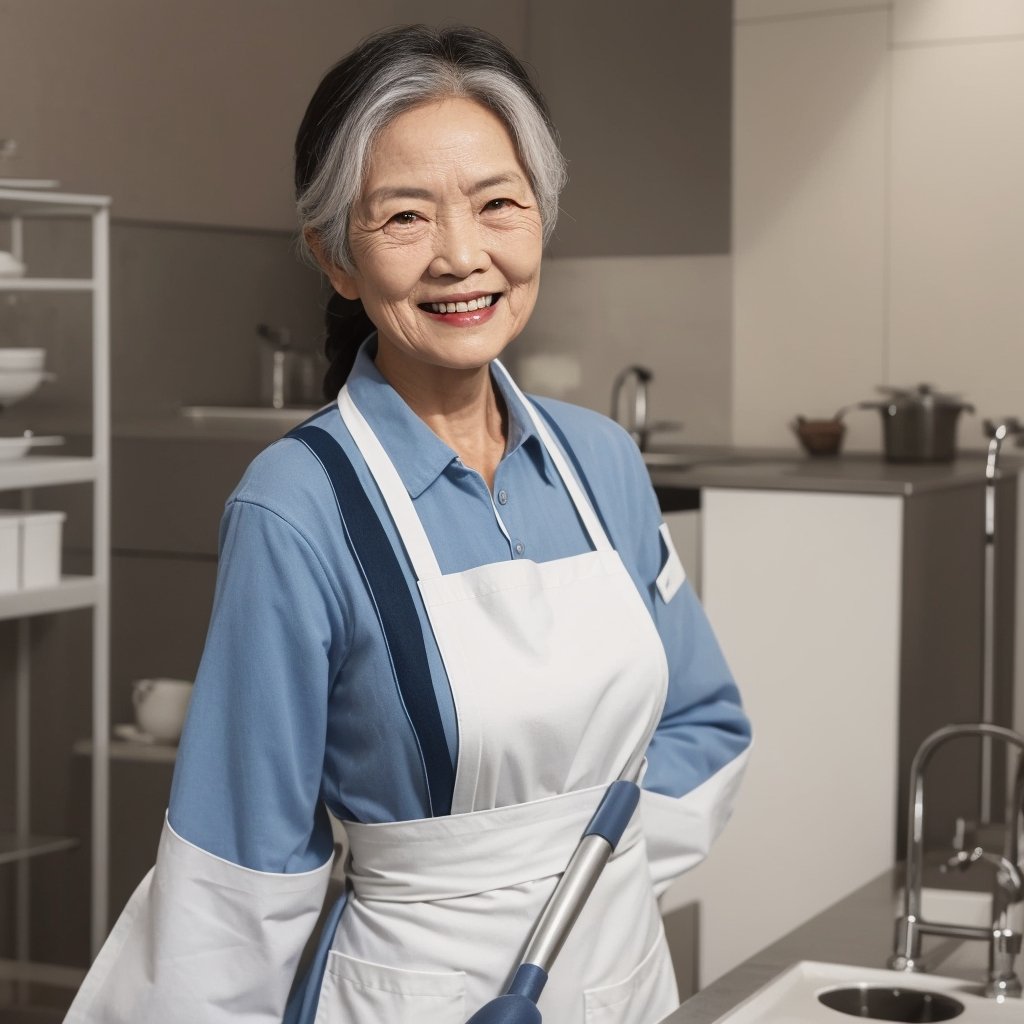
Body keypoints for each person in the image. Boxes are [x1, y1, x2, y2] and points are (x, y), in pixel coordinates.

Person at [66, 24, 751, 1024]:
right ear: (336, 257)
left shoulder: (602, 463)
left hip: (621, 978)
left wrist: (587, 870)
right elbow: (237, 870)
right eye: (404, 217)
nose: (461, 256)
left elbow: (707, 723)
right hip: (415, 995)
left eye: (497, 204)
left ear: (541, 218)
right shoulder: (296, 506)